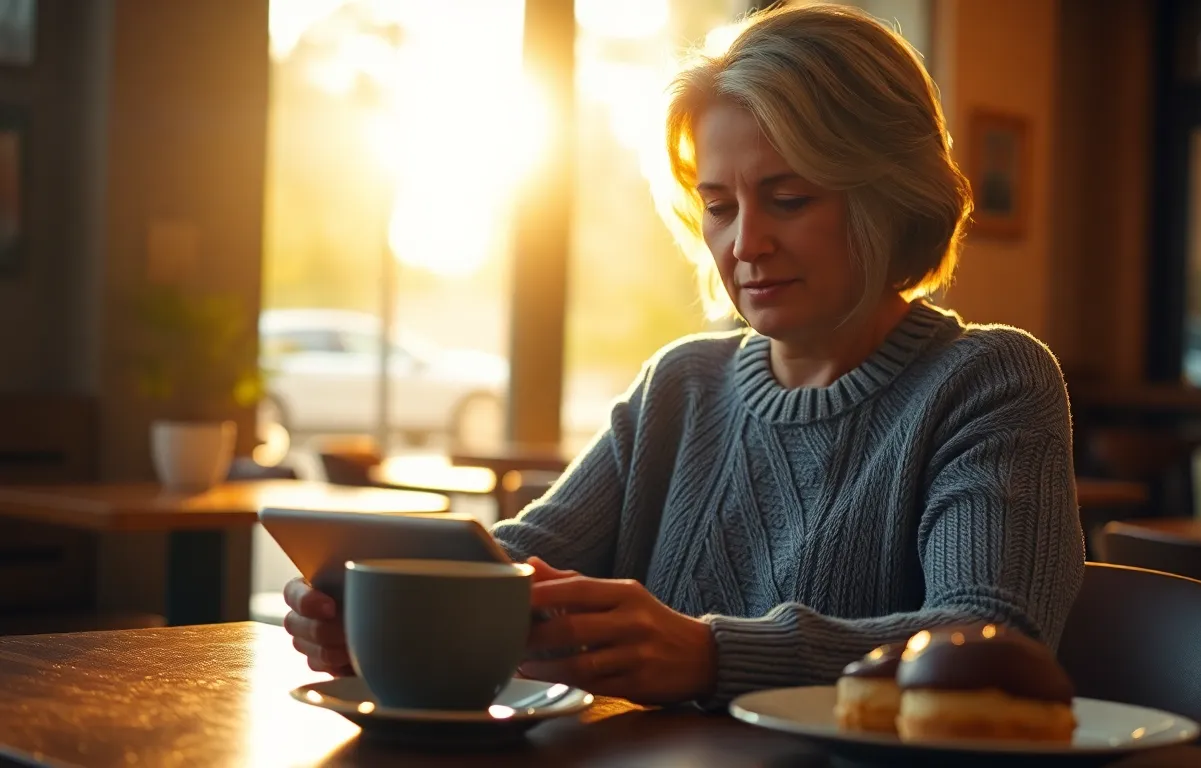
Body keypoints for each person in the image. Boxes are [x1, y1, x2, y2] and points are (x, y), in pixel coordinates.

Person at [283, 3, 1085, 710]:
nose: (746, 244)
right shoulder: (682, 384)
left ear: (890, 193)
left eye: (790, 198)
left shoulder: (988, 380)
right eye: (718, 204)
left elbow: (992, 637)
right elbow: (524, 558)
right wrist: (380, 608)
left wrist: (711, 657)